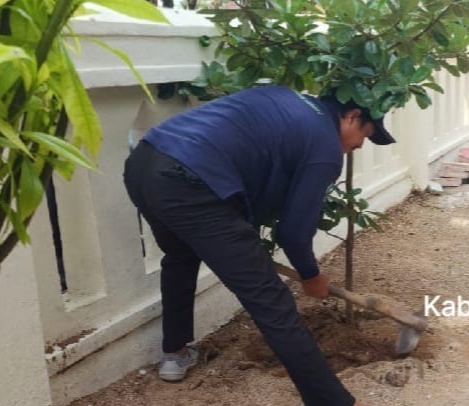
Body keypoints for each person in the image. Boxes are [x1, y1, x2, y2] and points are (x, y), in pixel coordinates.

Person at [123, 84, 391, 405]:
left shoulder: (285, 98)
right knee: (271, 301)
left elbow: (251, 162)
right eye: (366, 134)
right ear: (352, 115)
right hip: (191, 182)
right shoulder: (325, 148)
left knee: (180, 255)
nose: (361, 145)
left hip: (144, 163)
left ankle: (174, 354)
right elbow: (293, 232)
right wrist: (311, 276)